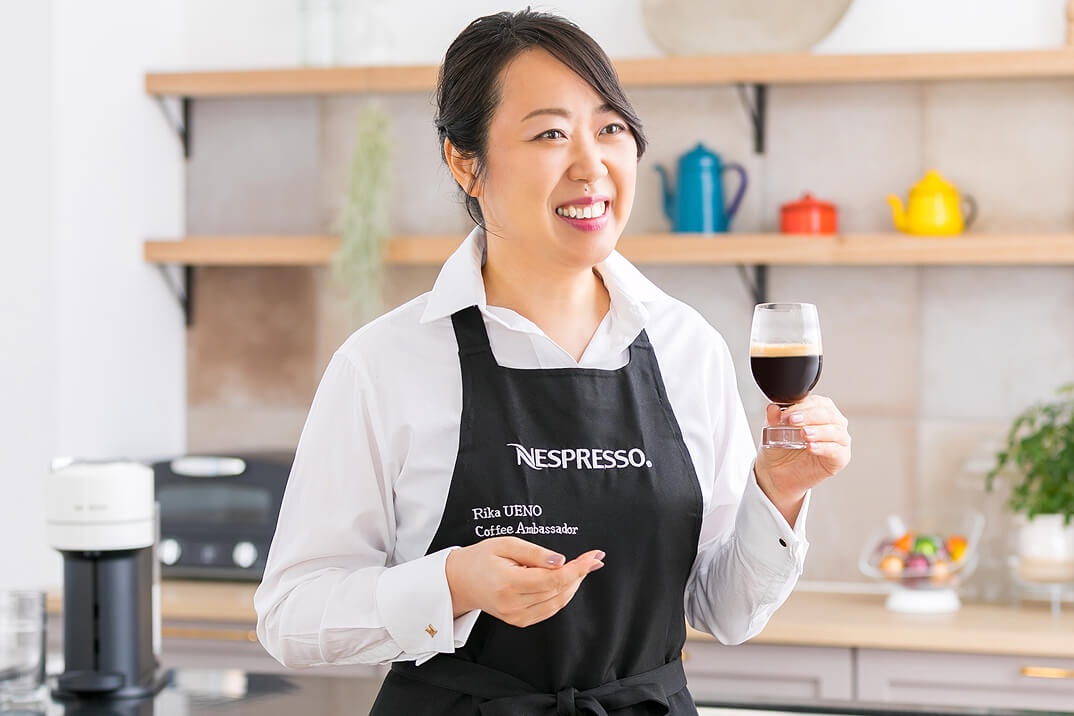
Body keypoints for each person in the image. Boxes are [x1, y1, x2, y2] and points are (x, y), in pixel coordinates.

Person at [254, 8, 851, 715]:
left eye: (611, 129)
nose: (591, 166)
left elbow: (726, 611)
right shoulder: (385, 363)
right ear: (465, 162)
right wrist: (452, 584)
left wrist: (778, 492)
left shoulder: (687, 348)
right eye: (549, 134)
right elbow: (290, 616)